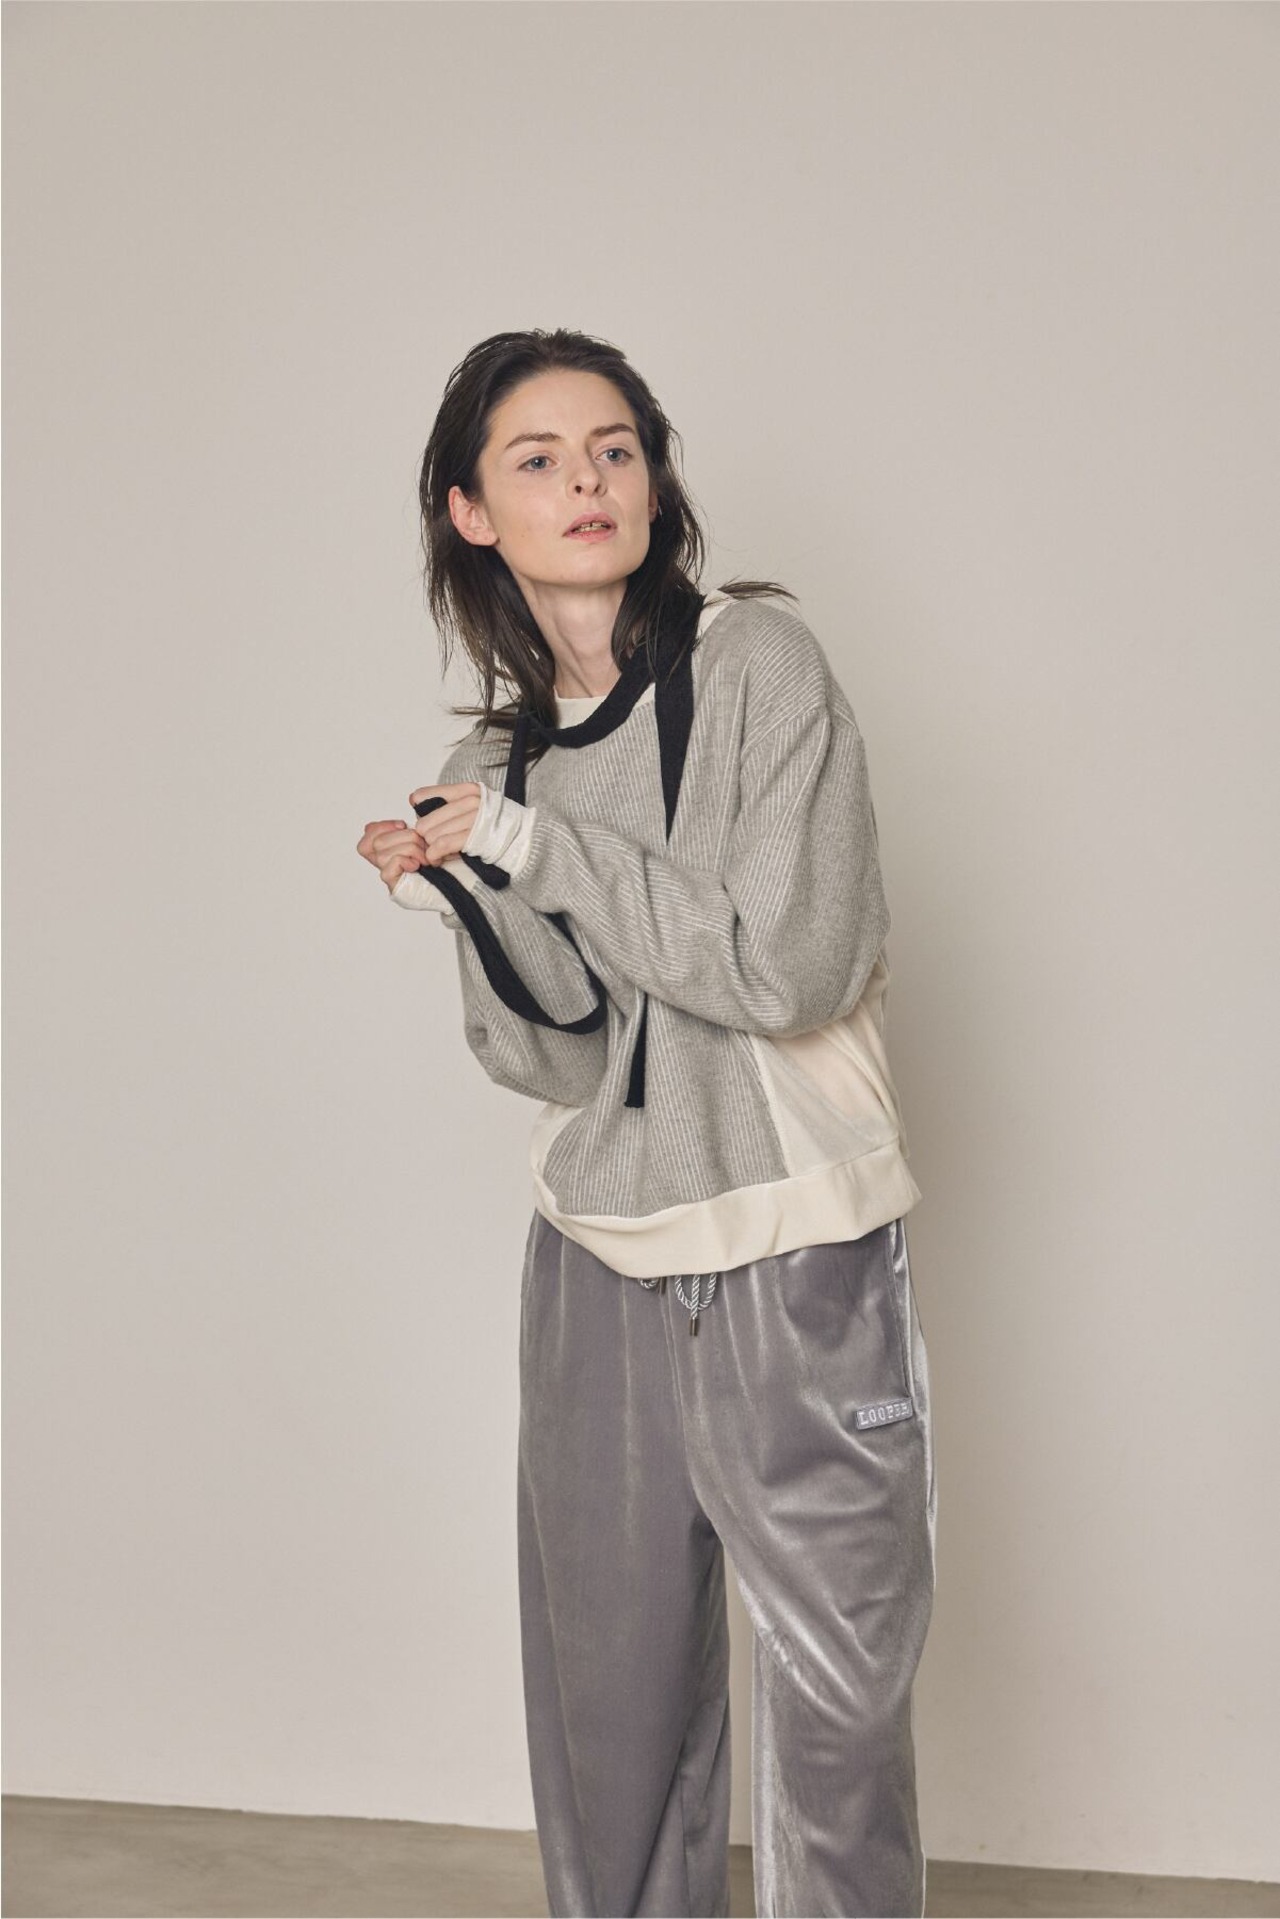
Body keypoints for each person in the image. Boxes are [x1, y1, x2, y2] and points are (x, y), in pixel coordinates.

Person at [356, 328, 937, 1919]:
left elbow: (790, 964)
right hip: (596, 1260)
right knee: (610, 1723)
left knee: (838, 1716)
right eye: (537, 459)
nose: (586, 482)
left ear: (659, 478)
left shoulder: (758, 668)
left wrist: (538, 853)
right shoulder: (499, 760)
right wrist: (468, 896)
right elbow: (561, 1054)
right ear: (471, 509)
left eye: (615, 448)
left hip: (797, 1251)